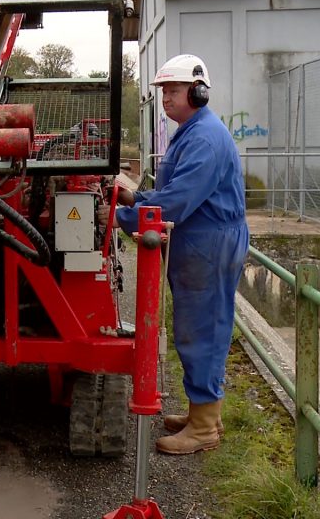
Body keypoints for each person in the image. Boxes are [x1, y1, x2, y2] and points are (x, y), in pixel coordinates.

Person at [106, 54, 248, 455]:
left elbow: (179, 202)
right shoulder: (191, 131)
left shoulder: (203, 137)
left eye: (173, 90)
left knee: (201, 330)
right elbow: (172, 193)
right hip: (200, 238)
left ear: (198, 91)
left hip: (208, 242)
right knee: (196, 326)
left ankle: (203, 427)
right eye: (163, 91)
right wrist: (137, 196)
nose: (166, 98)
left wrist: (120, 215)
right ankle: (203, 412)